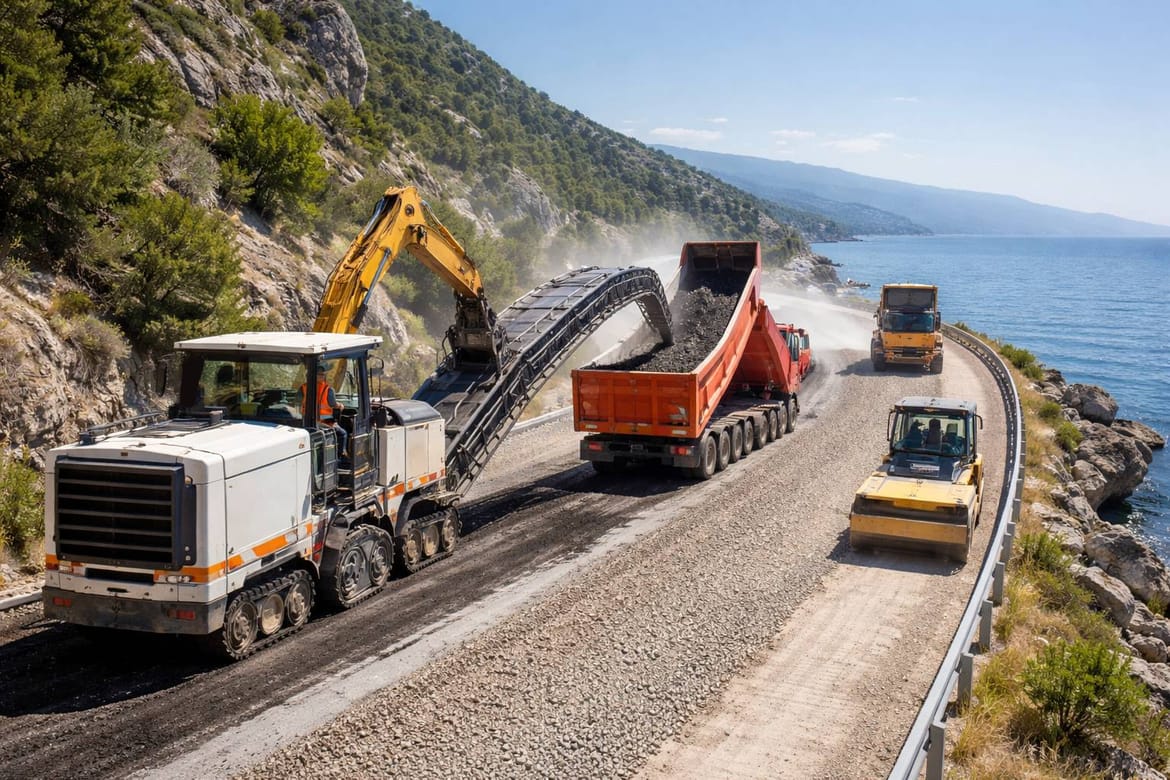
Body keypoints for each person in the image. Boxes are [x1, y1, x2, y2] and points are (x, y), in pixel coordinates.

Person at [300, 363, 347, 456]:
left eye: (322, 374)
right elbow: (333, 404)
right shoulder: (328, 390)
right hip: (324, 423)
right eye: (321, 374)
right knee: (343, 433)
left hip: (305, 422)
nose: (322, 376)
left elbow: (297, 402)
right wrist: (340, 405)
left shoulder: (303, 388)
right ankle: (341, 454)